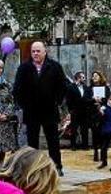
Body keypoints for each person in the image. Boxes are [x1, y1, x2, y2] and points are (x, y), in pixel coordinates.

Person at [13, 42, 69, 176]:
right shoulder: (24, 68)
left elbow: (62, 86)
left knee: (53, 140)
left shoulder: (54, 67)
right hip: (31, 110)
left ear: (45, 52)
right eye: (33, 51)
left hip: (49, 109)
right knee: (32, 141)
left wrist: (57, 101)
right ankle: (33, 169)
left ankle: (57, 166)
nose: (36, 54)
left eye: (38, 51)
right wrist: (23, 104)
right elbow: (18, 89)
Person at [65, 71, 92, 150]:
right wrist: (71, 110)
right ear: (78, 78)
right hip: (75, 111)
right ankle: (73, 145)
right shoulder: (71, 87)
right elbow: (68, 100)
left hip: (84, 111)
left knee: (84, 129)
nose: (84, 79)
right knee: (74, 129)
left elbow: (89, 98)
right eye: (83, 77)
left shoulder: (86, 88)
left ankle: (85, 145)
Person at [88, 71, 110, 162]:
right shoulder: (89, 88)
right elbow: (86, 99)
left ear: (100, 77)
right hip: (93, 112)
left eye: (96, 76)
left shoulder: (106, 88)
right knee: (94, 132)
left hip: (103, 112)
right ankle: (95, 151)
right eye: (93, 76)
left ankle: (102, 151)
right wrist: (93, 99)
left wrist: (102, 100)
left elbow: (108, 99)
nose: (95, 77)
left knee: (102, 132)